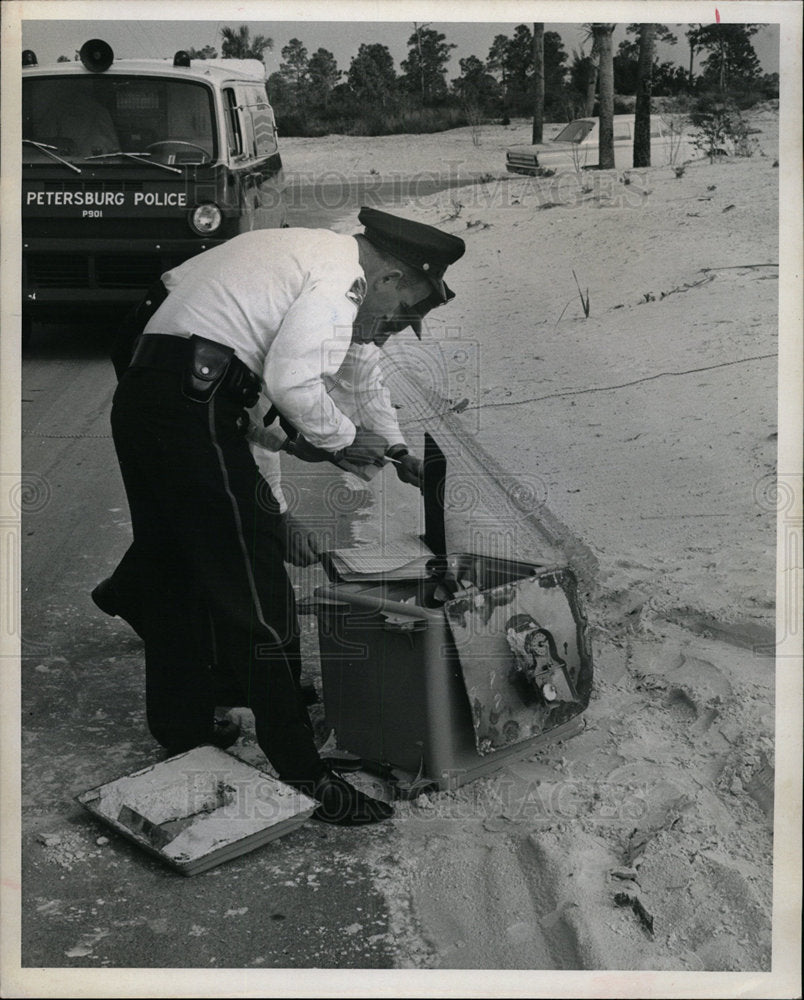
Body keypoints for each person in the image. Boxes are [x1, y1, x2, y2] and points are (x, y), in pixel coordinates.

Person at [97, 207, 465, 826]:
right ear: (394, 276)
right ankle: (304, 772)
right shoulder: (339, 278)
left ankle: (182, 727)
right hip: (194, 400)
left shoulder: (315, 258)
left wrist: (394, 445)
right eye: (402, 314)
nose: (390, 329)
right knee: (258, 587)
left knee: (175, 568)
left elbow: (357, 368)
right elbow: (292, 385)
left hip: (151, 395)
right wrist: (342, 442)